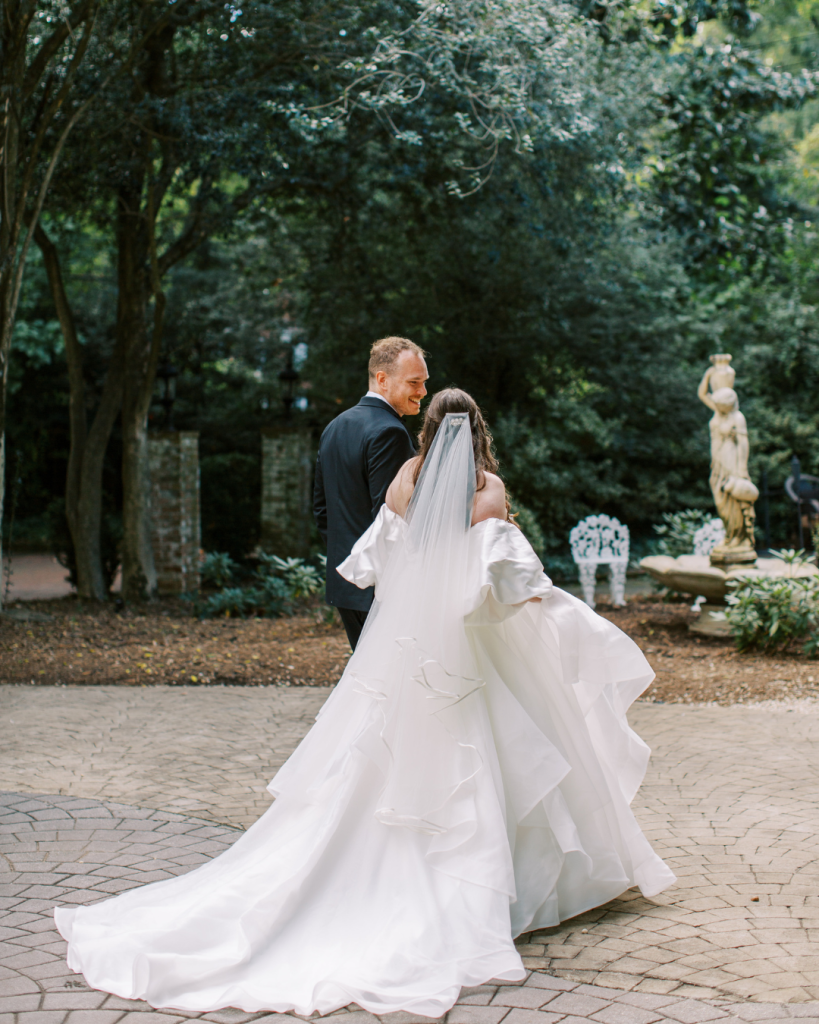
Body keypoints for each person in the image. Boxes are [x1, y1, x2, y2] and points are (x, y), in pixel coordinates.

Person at [54, 387, 675, 1018]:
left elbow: (378, 563)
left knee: (383, 761)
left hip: (406, 651)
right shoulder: (487, 489)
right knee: (498, 757)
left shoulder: (404, 481)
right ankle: (499, 891)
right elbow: (513, 583)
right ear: (478, 429)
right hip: (471, 653)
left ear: (428, 429)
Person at [313, 336, 428, 649]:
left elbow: (322, 511)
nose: (423, 392)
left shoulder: (335, 426)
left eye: (424, 382)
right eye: (414, 382)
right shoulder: (390, 432)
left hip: (346, 585)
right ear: (383, 379)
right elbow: (392, 518)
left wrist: (348, 558)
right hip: (381, 588)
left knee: (367, 674)